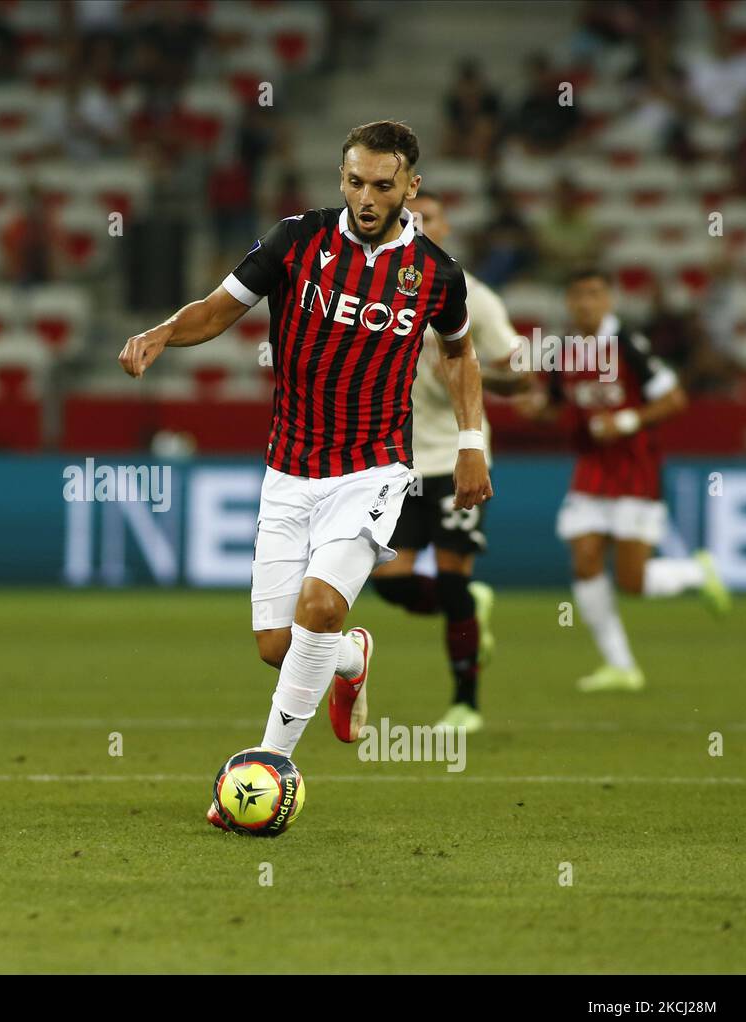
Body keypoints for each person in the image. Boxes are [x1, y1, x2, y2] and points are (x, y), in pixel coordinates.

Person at [116, 121, 491, 827]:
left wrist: (471, 438)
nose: (367, 196)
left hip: (374, 466)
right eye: (355, 181)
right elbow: (220, 310)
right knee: (278, 646)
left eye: (384, 184)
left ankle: (264, 770)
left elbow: (459, 353)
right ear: (340, 176)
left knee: (320, 607)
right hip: (289, 469)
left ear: (412, 186)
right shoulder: (297, 241)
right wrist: (166, 330)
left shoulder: (435, 273)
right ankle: (351, 661)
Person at [516, 268, 730, 692]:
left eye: (594, 294)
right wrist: (536, 409)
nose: (586, 303)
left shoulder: (627, 344)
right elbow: (559, 407)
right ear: (568, 303)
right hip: (592, 469)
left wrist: (626, 419)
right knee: (585, 557)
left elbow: (674, 399)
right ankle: (621, 665)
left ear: (609, 300)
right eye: (578, 295)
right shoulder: (563, 353)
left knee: (633, 583)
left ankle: (694, 572)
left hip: (635, 469)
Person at [371, 189, 529, 734]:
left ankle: (466, 702)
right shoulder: (378, 282)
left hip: (457, 456)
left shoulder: (472, 296)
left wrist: (469, 369)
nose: (417, 222)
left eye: (428, 217)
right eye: (409, 216)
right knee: (389, 580)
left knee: (452, 575)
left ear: (446, 226)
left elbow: (522, 373)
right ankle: (465, 604)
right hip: (398, 462)